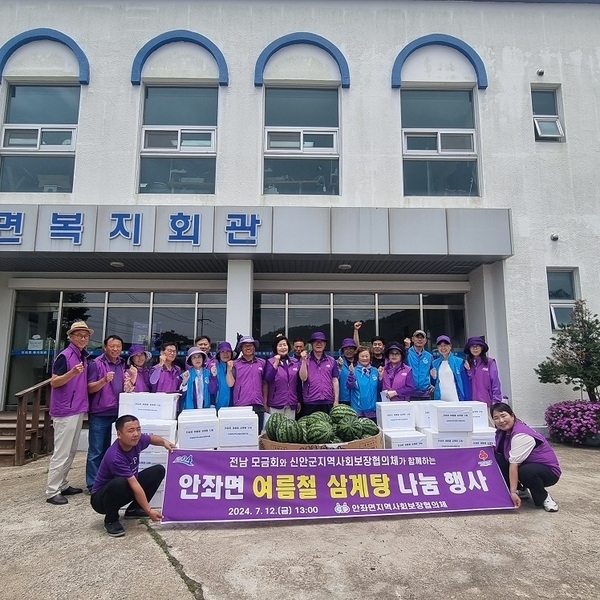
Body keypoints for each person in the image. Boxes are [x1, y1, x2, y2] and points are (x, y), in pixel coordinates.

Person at [90, 414, 176, 537]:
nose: (136, 434)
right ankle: (111, 519)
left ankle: (134, 509)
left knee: (158, 470)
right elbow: (134, 484)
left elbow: (151, 438)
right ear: (119, 434)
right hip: (101, 500)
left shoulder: (137, 440)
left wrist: (164, 442)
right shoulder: (115, 457)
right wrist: (149, 510)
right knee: (120, 482)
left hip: (123, 489)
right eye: (131, 430)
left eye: (138, 429)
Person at [45, 320, 92, 505]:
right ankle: (52, 490)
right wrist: (71, 373)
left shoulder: (81, 356)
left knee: (71, 450)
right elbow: (54, 382)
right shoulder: (65, 356)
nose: (83, 338)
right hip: (65, 410)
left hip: (78, 408)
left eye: (85, 335)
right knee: (62, 451)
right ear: (71, 337)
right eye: (79, 335)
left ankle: (62, 484)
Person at [491, 402, 561, 512]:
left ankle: (544, 497)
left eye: (503, 416)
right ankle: (521, 489)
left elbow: (514, 464)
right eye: (496, 418)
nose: (501, 421)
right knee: (497, 458)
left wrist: (512, 492)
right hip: (525, 465)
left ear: (512, 415)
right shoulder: (502, 433)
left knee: (526, 471)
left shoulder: (521, 434)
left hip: (548, 472)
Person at [86, 334, 127, 492]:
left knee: (112, 449)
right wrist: (103, 380)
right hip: (100, 412)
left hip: (118, 412)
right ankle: (93, 485)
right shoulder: (96, 364)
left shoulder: (122, 364)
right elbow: (89, 388)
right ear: (105, 347)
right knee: (96, 450)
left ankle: (107, 481)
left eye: (118, 346)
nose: (116, 349)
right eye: (112, 346)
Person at [227, 335, 267, 430]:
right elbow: (230, 383)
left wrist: (265, 402)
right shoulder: (235, 364)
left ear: (254, 347)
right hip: (241, 405)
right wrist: (229, 369)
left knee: (258, 435)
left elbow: (265, 383)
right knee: (243, 436)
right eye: (245, 346)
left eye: (250, 345)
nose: (248, 347)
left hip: (258, 404)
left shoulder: (262, 363)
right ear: (241, 348)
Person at [299, 331, 339, 416]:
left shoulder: (331, 361)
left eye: (321, 342)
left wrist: (336, 400)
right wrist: (303, 361)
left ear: (325, 344)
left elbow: (335, 381)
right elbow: (303, 378)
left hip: (328, 400)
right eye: (316, 342)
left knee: (327, 427)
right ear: (312, 344)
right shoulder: (306, 359)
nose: (319, 344)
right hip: (310, 401)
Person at [264, 334, 304, 419]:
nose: (283, 348)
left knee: (289, 430)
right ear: (276, 348)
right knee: (275, 430)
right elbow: (268, 379)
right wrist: (276, 363)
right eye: (280, 345)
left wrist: (299, 400)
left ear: (288, 347)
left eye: (285, 345)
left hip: (292, 403)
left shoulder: (295, 362)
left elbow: (298, 383)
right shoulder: (270, 362)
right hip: (276, 403)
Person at [464, 336, 502, 408]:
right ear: (469, 349)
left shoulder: (490, 362)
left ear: (482, 348)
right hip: (471, 403)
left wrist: (496, 400)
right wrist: (468, 370)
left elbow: (495, 382)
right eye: (472, 346)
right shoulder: (466, 363)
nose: (475, 348)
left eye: (477, 346)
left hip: (487, 402)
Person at [345, 345, 381, 420]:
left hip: (373, 411)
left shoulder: (375, 371)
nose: (365, 358)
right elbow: (349, 386)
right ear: (358, 357)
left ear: (370, 357)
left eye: (367, 356)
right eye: (362, 356)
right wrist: (351, 374)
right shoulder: (353, 371)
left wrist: (381, 378)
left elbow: (379, 388)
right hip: (358, 411)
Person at [430, 335, 470, 402]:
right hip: (440, 400)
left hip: (456, 399)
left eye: (445, 345)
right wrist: (433, 377)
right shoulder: (434, 363)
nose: (443, 348)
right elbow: (433, 383)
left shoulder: (460, 362)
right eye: (440, 345)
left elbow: (465, 382)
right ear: (437, 347)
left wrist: (467, 400)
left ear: (450, 346)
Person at [179, 347, 217, 411]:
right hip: (190, 409)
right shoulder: (186, 374)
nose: (197, 359)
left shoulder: (208, 373)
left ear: (203, 358)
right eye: (194, 357)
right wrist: (184, 383)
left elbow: (213, 391)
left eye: (199, 356)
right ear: (190, 360)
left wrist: (213, 377)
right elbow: (181, 395)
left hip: (206, 408)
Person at [404, 330, 434, 398]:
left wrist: (433, 384)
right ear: (413, 339)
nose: (420, 339)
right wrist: (406, 348)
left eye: (422, 337)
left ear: (425, 340)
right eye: (417, 337)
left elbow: (434, 372)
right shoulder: (406, 353)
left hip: (425, 394)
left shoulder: (429, 356)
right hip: (409, 394)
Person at [213, 341, 235, 410]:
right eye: (222, 351)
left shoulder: (236, 367)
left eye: (228, 351)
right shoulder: (214, 368)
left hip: (234, 405)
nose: (225, 354)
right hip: (218, 406)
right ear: (219, 354)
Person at [337, 338, 358, 406]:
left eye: (351, 348)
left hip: (358, 398)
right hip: (344, 398)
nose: (348, 351)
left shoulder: (360, 362)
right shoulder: (337, 363)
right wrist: (339, 368)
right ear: (342, 351)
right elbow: (335, 379)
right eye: (346, 349)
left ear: (354, 350)